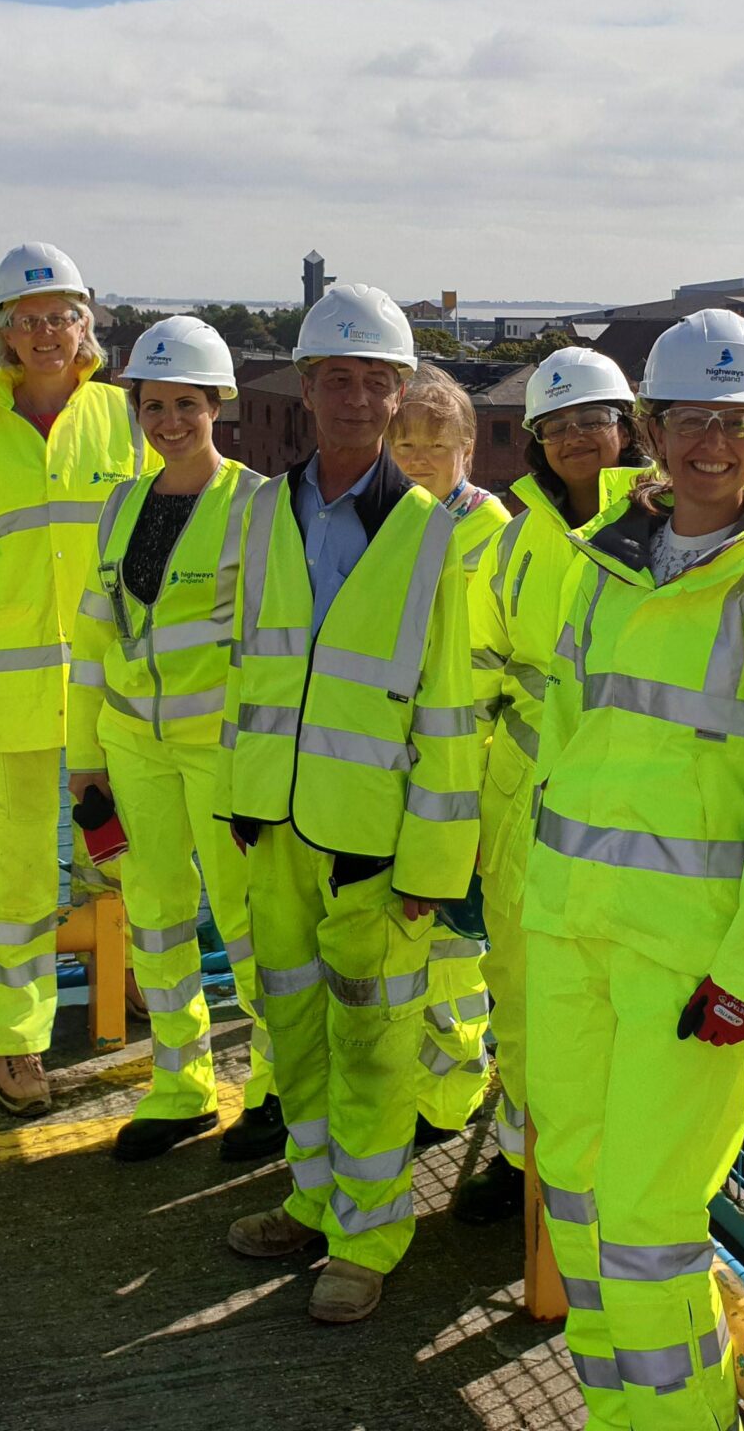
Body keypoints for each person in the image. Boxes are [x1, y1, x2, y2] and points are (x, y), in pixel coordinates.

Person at [524, 309, 744, 1431]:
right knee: (583, 1193)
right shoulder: (599, 571)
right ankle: (622, 1412)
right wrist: (533, 914)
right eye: (691, 419)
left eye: (738, 423)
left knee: (649, 1219)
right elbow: (561, 740)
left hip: (686, 966)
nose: (712, 445)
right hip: (565, 934)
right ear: (649, 428)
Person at [216, 283, 481, 1326]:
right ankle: (313, 1202)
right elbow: (250, 667)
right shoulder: (261, 511)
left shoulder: (430, 538)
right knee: (293, 1030)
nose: (357, 398)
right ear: (307, 387)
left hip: (371, 846)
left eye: (377, 381)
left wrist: (427, 867)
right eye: (338, 378)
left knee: (373, 1045)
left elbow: (448, 714)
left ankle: (366, 1240)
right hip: (274, 826)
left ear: (399, 392)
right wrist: (242, 799)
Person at [0, 243, 150, 1115]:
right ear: (4, 336)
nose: (48, 333)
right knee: (12, 881)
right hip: (7, 701)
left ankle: (127, 973)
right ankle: (16, 1043)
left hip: (108, 689)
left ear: (85, 325)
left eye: (62, 316)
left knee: (124, 853)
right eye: (30, 320)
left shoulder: (125, 421)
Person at [68, 315, 282, 1163]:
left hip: (221, 751)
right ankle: (181, 1084)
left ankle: (274, 1085)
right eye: (153, 405)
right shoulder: (123, 502)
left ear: (218, 405)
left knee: (248, 918)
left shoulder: (256, 505)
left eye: (186, 405)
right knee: (154, 916)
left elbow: (273, 645)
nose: (168, 422)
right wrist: (85, 757)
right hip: (133, 746)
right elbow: (94, 638)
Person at [451, 345, 641, 1226]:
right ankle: (528, 1158)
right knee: (521, 991)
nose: (576, 440)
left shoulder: (666, 522)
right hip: (521, 800)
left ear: (626, 428)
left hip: (629, 801)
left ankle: (607, 1170)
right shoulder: (516, 535)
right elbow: (477, 666)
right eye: (557, 427)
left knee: (616, 997)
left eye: (592, 422)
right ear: (535, 442)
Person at [386, 363, 510, 1143]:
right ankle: (414, 1090)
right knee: (406, 944)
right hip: (395, 772)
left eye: (436, 440)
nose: (418, 455)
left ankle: (452, 1098)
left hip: (464, 778)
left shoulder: (492, 534)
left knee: (456, 958)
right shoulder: (391, 522)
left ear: (470, 445)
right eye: (404, 440)